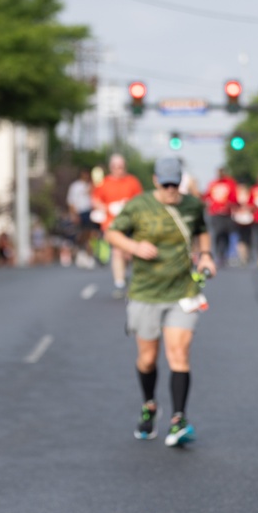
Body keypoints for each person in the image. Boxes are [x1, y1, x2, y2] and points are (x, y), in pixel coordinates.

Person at [106, 158, 216, 447]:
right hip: (146, 293)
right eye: (165, 183)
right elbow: (112, 232)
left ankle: (179, 419)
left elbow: (202, 230)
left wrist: (205, 255)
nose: (170, 189)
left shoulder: (192, 205)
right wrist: (134, 247)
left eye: (174, 183)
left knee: (179, 354)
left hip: (183, 291)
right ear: (155, 181)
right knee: (148, 359)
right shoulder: (139, 205)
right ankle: (150, 405)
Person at [94, 154, 144, 295]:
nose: (118, 169)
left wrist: (128, 206)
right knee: (117, 251)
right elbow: (96, 201)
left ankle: (126, 274)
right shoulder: (104, 183)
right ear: (111, 167)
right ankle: (120, 283)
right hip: (111, 224)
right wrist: (106, 208)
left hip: (130, 223)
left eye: (120, 166)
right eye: (115, 166)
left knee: (128, 253)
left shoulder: (132, 182)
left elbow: (140, 201)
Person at [203, 167, 238, 267]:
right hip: (215, 213)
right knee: (218, 233)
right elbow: (207, 196)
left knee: (226, 234)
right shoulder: (213, 184)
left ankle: (225, 254)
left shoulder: (230, 183)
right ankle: (218, 253)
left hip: (227, 213)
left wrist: (230, 205)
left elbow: (234, 197)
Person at [65, 168, 92, 267]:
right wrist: (73, 214)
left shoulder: (90, 186)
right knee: (80, 233)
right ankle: (78, 252)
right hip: (80, 212)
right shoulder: (75, 186)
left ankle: (88, 254)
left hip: (90, 212)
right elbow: (71, 201)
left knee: (90, 233)